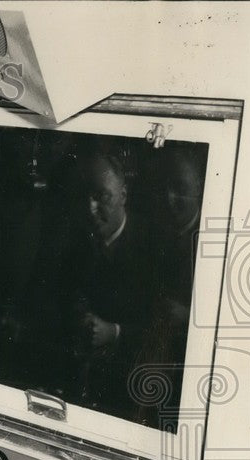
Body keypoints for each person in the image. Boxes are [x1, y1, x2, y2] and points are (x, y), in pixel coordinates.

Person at [64, 152, 159, 421]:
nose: (90, 208)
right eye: (85, 197)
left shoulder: (154, 248)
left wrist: (115, 333)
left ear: (124, 195)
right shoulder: (76, 243)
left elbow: (169, 331)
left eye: (102, 196)